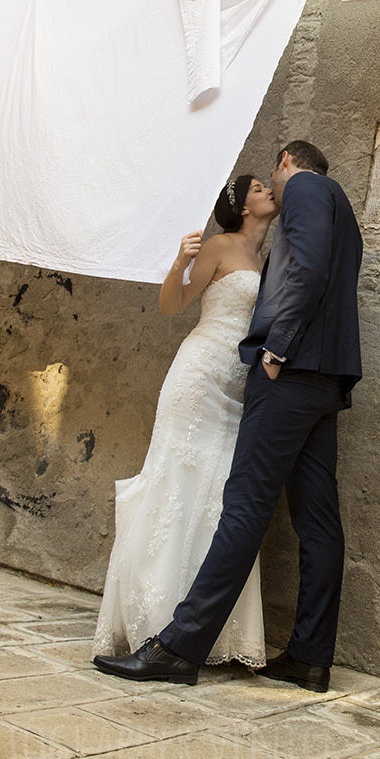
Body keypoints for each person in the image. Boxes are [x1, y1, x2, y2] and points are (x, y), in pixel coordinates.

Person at [94, 140, 363, 692]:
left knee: (243, 507)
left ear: (287, 161)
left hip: (288, 377)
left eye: (273, 174)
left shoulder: (308, 189)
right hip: (323, 382)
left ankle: (179, 645)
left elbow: (306, 272)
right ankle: (311, 657)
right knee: (316, 518)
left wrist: (277, 350)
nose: (272, 185)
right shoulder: (344, 214)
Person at [89, 174, 278, 669]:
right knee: (176, 484)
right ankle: (152, 623)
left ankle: (199, 632)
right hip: (198, 377)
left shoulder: (270, 258)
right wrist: (179, 261)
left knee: (220, 498)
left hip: (239, 389)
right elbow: (172, 305)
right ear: (241, 205)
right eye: (259, 187)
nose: (269, 190)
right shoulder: (220, 245)